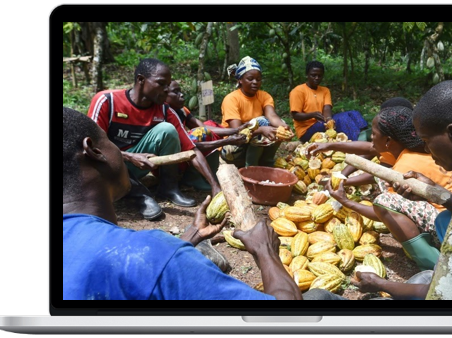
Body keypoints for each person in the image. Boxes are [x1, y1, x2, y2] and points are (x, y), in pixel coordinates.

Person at [63, 106, 303, 300]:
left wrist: (190, 236)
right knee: (320, 298)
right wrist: (265, 250)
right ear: (93, 150)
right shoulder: (156, 256)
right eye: (109, 141)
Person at [352, 80, 452, 300]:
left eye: (426, 140)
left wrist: (381, 284)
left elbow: (449, 296)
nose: (424, 149)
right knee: (444, 219)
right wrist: (434, 191)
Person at [324, 105, 452, 271]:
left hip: (449, 229)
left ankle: (431, 261)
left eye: (373, 136)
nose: (371, 141)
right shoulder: (418, 150)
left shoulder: (405, 166)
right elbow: (373, 159)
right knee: (384, 179)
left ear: (389, 141)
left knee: (384, 201)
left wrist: (346, 201)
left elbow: (381, 213)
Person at [87, 58, 221, 221]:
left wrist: (215, 186)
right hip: (109, 164)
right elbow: (92, 145)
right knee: (96, 157)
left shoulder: (165, 110)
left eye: (168, 84)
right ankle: (140, 196)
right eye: (161, 83)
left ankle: (169, 188)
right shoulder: (108, 101)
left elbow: (191, 150)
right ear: (141, 80)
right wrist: (130, 157)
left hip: (138, 164)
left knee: (167, 130)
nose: (166, 89)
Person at [165, 80, 248, 191]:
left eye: (180, 91)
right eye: (175, 92)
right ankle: (191, 179)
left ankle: (203, 176)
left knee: (210, 126)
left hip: (188, 150)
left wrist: (236, 130)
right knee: (200, 134)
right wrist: (227, 141)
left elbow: (203, 126)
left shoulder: (182, 110)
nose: (181, 94)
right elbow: (188, 145)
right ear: (164, 94)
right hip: (174, 159)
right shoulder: (163, 114)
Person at [219, 56, 292, 168]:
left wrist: (284, 127)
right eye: (250, 79)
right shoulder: (231, 99)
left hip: (251, 140)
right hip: (232, 146)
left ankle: (266, 161)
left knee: (278, 124)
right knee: (261, 122)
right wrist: (261, 130)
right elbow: (237, 130)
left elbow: (272, 115)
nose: (255, 82)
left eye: (258, 79)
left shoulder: (264, 96)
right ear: (240, 80)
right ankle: (251, 167)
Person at [289, 60, 333, 143]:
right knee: (341, 121)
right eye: (313, 75)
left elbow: (327, 108)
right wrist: (312, 115)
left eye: (319, 76)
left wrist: (329, 120)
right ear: (307, 75)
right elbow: (295, 115)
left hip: (322, 123)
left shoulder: (325, 90)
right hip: (306, 131)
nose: (317, 78)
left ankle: (362, 138)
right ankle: (354, 146)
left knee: (352, 113)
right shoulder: (298, 91)